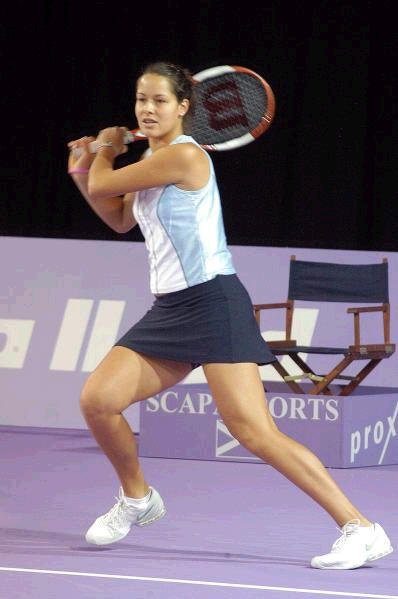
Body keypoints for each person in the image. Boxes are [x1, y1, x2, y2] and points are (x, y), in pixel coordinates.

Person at [67, 61, 393, 569]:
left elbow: (107, 184)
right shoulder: (154, 159)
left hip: (214, 304)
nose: (147, 109)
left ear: (183, 108)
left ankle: (361, 528)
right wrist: (81, 168)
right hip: (171, 309)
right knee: (98, 401)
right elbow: (116, 214)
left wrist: (104, 149)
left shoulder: (184, 157)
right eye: (140, 100)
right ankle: (138, 498)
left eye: (158, 101)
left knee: (253, 431)